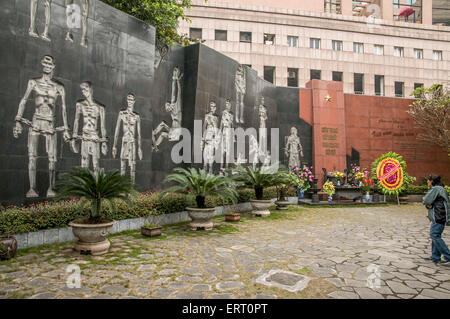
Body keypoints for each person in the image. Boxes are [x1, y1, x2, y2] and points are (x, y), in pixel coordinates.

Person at [423, 174, 450, 265]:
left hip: (438, 216)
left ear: (432, 181)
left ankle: (448, 256)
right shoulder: (440, 189)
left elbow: (426, 200)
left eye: (428, 180)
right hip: (440, 216)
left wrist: (429, 204)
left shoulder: (436, 189)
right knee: (435, 234)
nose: (427, 182)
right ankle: (435, 257)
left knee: (434, 235)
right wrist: (429, 205)